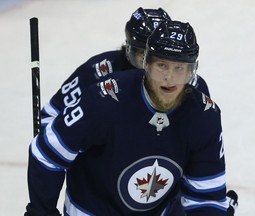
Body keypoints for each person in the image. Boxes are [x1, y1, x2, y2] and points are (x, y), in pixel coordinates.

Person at [25, 20, 232, 215]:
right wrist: (42, 212)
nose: (170, 78)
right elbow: (47, 153)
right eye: (162, 66)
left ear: (191, 71)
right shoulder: (103, 100)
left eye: (179, 68)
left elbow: (206, 196)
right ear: (147, 64)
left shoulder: (204, 115)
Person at [40, 7, 211, 129]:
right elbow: (51, 115)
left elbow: (202, 132)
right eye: (143, 56)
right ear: (128, 48)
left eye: (159, 59)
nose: (149, 66)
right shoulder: (99, 71)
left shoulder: (188, 85)